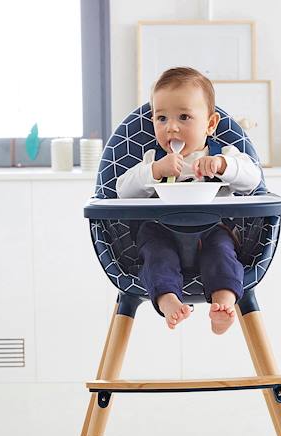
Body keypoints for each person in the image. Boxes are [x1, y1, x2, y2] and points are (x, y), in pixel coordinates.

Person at [116, 67, 262, 334]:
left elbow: (253, 180)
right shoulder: (153, 160)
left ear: (210, 124)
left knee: (222, 253)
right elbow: (122, 190)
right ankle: (168, 300)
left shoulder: (224, 154)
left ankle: (223, 304)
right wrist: (155, 171)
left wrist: (221, 166)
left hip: (213, 231)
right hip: (163, 233)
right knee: (155, 255)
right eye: (161, 118)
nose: (171, 127)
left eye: (184, 117)